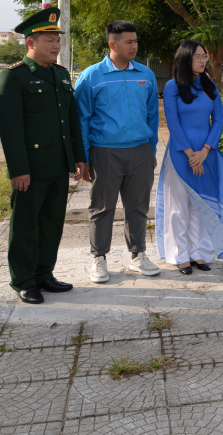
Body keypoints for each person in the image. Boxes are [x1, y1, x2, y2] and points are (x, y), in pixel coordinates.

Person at [0, 8, 88, 304]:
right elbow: (10, 130)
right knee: (25, 225)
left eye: (57, 40)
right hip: (31, 168)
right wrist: (18, 169)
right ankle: (23, 279)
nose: (56, 46)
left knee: (51, 222)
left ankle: (44, 274)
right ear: (30, 43)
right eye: (49, 40)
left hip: (58, 164)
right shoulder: (14, 77)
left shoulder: (60, 75)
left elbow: (72, 121)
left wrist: (78, 157)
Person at [74, 20, 161, 282]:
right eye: (129, 42)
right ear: (112, 44)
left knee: (138, 206)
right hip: (106, 152)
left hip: (141, 151)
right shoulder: (91, 76)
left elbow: (152, 116)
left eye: (135, 41)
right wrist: (86, 158)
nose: (134, 46)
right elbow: (82, 119)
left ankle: (138, 255)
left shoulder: (146, 74)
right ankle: (98, 258)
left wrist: (151, 150)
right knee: (102, 207)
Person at [156, 40, 223, 273]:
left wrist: (205, 150)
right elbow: (172, 121)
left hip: (206, 154)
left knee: (200, 203)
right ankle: (180, 255)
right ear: (185, 59)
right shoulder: (173, 86)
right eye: (197, 57)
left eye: (204, 57)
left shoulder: (210, 86)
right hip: (180, 154)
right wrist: (189, 152)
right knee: (178, 207)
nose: (203, 61)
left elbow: (219, 119)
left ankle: (200, 253)